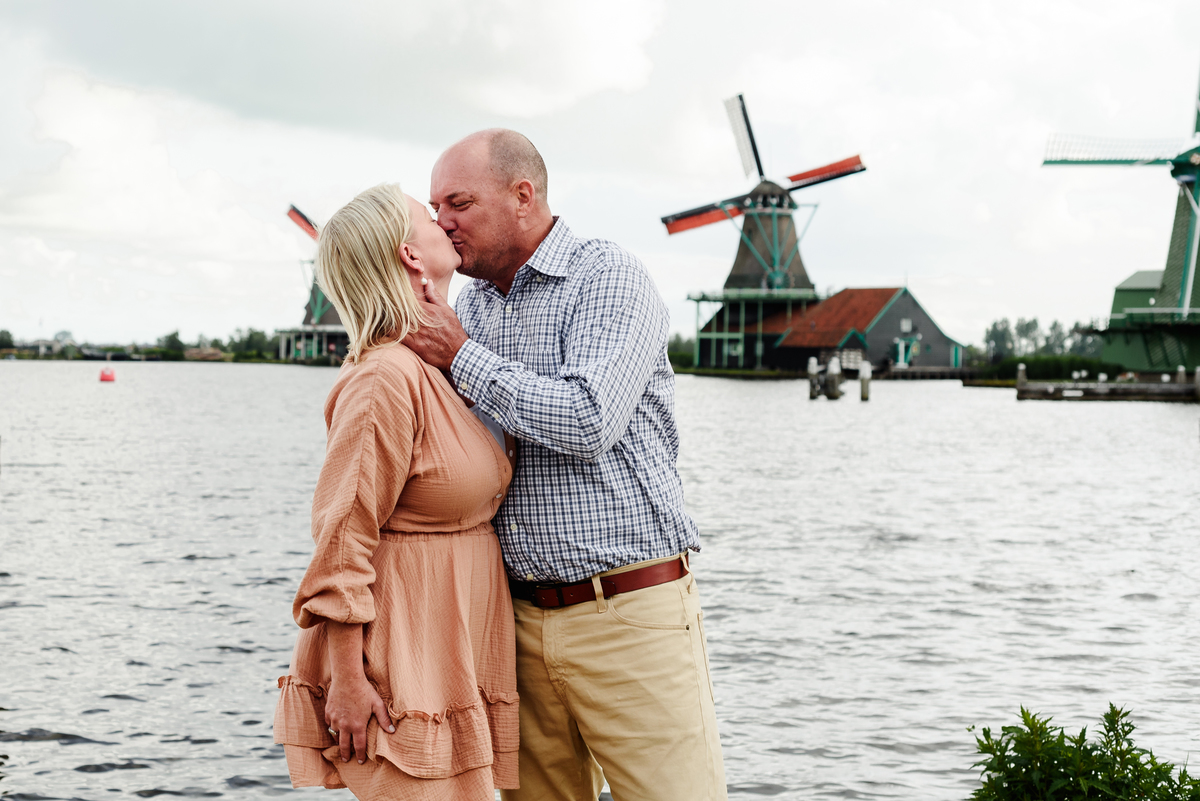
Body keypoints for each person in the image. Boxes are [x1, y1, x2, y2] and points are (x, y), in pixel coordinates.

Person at [404, 129, 727, 801]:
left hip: (628, 611)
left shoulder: (606, 276)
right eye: (435, 208)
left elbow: (589, 420)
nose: (443, 222)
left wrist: (461, 356)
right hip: (513, 622)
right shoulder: (474, 307)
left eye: (458, 202)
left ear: (523, 196)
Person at [273, 183, 519, 800]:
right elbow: (342, 535)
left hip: (452, 637)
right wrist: (348, 679)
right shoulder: (385, 377)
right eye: (428, 216)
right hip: (403, 645)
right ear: (411, 255)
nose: (444, 222)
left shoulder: (432, 364)